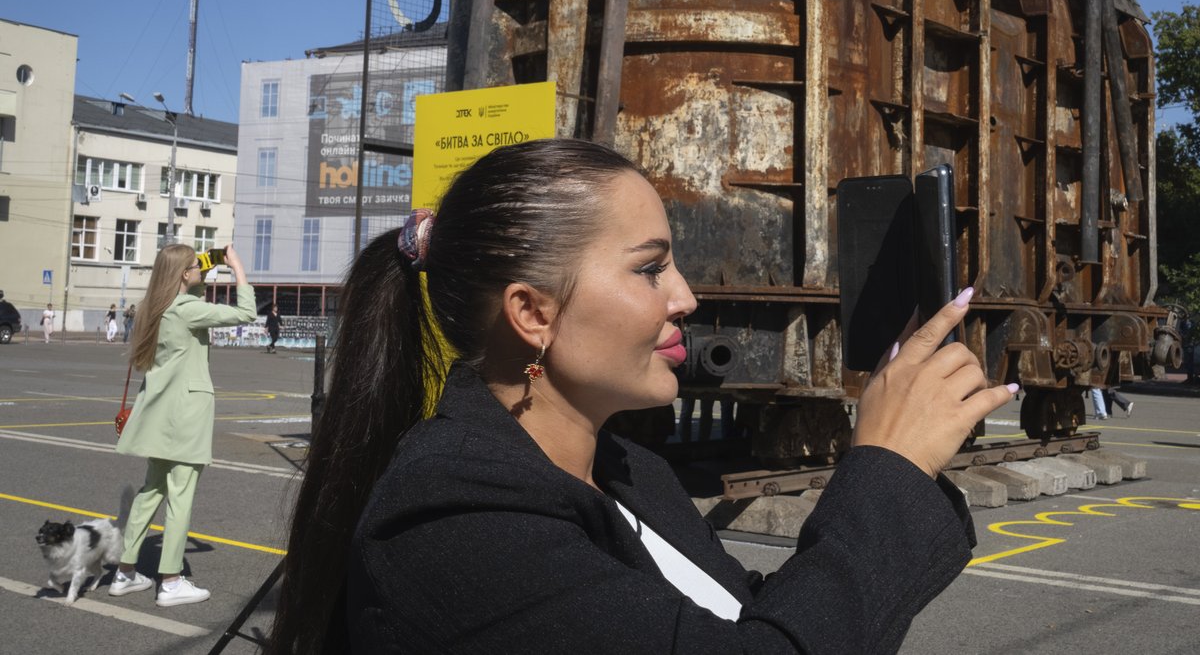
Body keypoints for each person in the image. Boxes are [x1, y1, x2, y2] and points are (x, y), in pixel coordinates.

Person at [268, 139, 1016, 655]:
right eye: (649, 268)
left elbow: (744, 620)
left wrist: (905, 465)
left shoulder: (628, 471)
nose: (685, 297)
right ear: (533, 312)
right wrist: (883, 468)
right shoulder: (451, 518)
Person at [108, 244, 254, 606]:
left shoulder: (153, 308)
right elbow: (247, 312)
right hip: (186, 414)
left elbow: (190, 298)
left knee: (151, 491)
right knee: (181, 495)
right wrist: (236, 268)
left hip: (159, 413)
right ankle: (171, 581)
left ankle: (125, 573)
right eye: (195, 267)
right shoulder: (187, 309)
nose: (199, 270)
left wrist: (203, 268)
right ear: (184, 275)